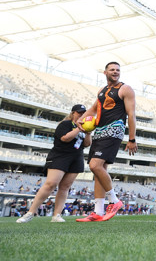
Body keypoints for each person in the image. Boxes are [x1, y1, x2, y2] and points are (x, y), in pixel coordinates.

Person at [75, 61, 138, 222]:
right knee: (98, 170)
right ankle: (97, 211)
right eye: (112, 70)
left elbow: (131, 115)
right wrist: (80, 120)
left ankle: (115, 201)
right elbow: (93, 108)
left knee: (94, 165)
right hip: (100, 130)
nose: (115, 72)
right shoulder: (102, 91)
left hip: (114, 129)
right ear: (105, 73)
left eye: (118, 70)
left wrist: (132, 139)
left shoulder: (125, 89)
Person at [16, 105, 92, 223]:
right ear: (73, 113)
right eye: (79, 113)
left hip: (76, 157)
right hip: (60, 156)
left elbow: (87, 144)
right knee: (51, 184)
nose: (81, 115)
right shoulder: (65, 124)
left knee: (65, 187)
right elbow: (65, 138)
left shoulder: (84, 126)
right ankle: (30, 212)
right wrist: (78, 129)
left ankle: (56, 215)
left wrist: (88, 133)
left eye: (83, 113)